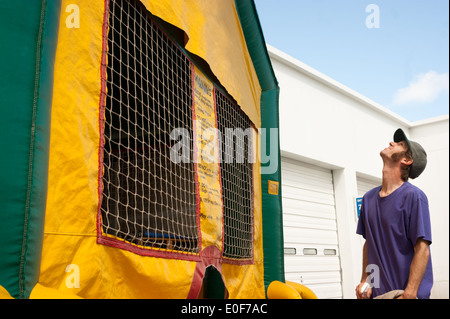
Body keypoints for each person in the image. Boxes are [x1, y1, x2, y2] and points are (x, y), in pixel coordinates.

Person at [355, 128, 433, 299]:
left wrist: (410, 293)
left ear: (406, 160)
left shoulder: (414, 197)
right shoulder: (368, 198)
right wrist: (366, 281)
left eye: (399, 144)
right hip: (377, 294)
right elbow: (370, 245)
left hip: (404, 294)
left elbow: (422, 248)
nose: (391, 143)